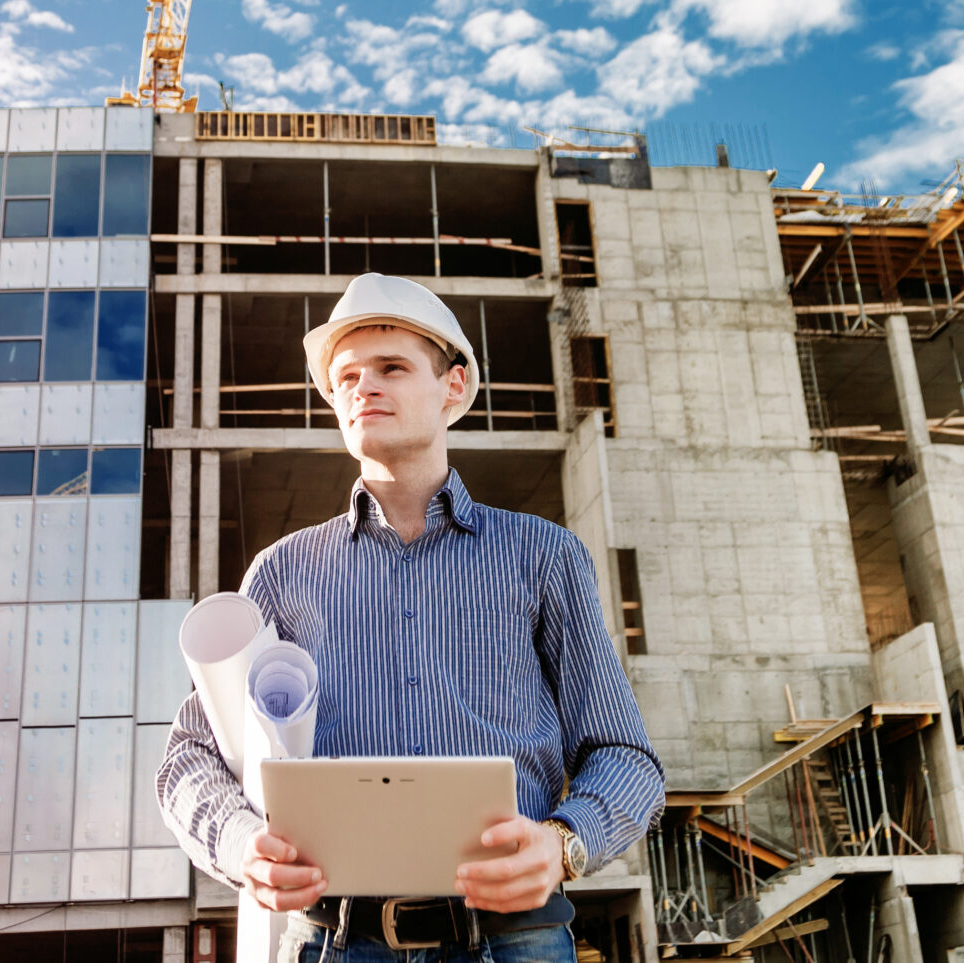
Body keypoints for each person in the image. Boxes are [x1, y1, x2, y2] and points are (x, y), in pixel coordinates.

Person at [157, 271, 665, 962]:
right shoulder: (281, 574)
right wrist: (241, 843)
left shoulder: (544, 556)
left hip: (514, 939)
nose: (363, 387)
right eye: (345, 378)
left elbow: (625, 756)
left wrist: (564, 842)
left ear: (453, 386)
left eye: (392, 367)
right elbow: (191, 754)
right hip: (336, 941)